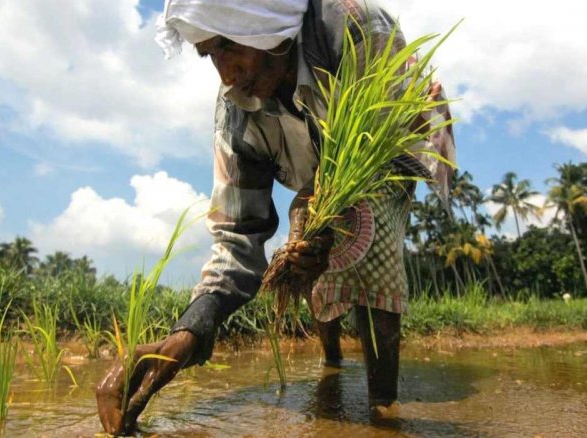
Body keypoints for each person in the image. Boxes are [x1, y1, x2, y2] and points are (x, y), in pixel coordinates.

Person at [96, 0, 456, 434]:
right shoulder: (236, 112)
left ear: (264, 24)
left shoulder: (352, 26)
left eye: (229, 46)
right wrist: (188, 332)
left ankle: (383, 406)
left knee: (363, 230)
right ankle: (333, 365)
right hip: (317, 163)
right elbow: (237, 236)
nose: (226, 74)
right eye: (210, 54)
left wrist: (323, 221)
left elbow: (376, 149)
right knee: (306, 247)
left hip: (392, 140)